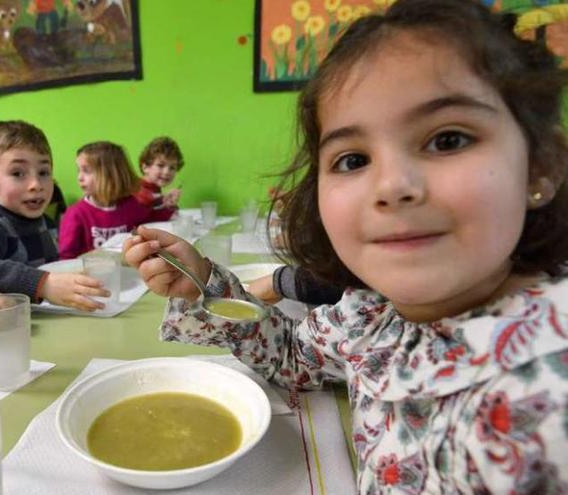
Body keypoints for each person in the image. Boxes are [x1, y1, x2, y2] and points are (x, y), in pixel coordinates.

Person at [123, 0, 568, 491]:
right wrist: (201, 282)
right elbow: (293, 357)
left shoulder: (548, 399)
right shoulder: (369, 315)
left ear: (541, 166)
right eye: (353, 159)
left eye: (447, 140)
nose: (391, 185)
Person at [0, 120, 108, 311]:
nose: (36, 184)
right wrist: (43, 284)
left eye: (43, 172)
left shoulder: (46, 222)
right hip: (9, 330)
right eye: (18, 173)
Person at [58, 141, 153, 259]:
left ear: (111, 175)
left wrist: (166, 205)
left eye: (86, 171)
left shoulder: (130, 204)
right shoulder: (75, 213)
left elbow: (149, 227)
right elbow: (66, 256)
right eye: (79, 170)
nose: (80, 177)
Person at [134, 136, 183, 221]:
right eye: (160, 165)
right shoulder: (139, 192)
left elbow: (159, 216)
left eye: (172, 168)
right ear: (145, 167)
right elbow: (146, 221)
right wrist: (167, 206)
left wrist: (169, 205)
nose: (167, 172)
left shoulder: (155, 190)